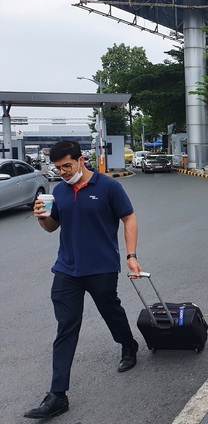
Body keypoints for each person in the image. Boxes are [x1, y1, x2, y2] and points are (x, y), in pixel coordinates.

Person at [25, 140, 143, 420]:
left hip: (101, 267)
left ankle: (128, 345)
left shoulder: (108, 187)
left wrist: (131, 255)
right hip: (67, 270)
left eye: (67, 165)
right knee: (66, 327)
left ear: (81, 160)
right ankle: (57, 395)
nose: (63, 172)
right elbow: (52, 227)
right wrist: (41, 217)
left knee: (110, 311)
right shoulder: (60, 192)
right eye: (58, 168)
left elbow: (129, 218)